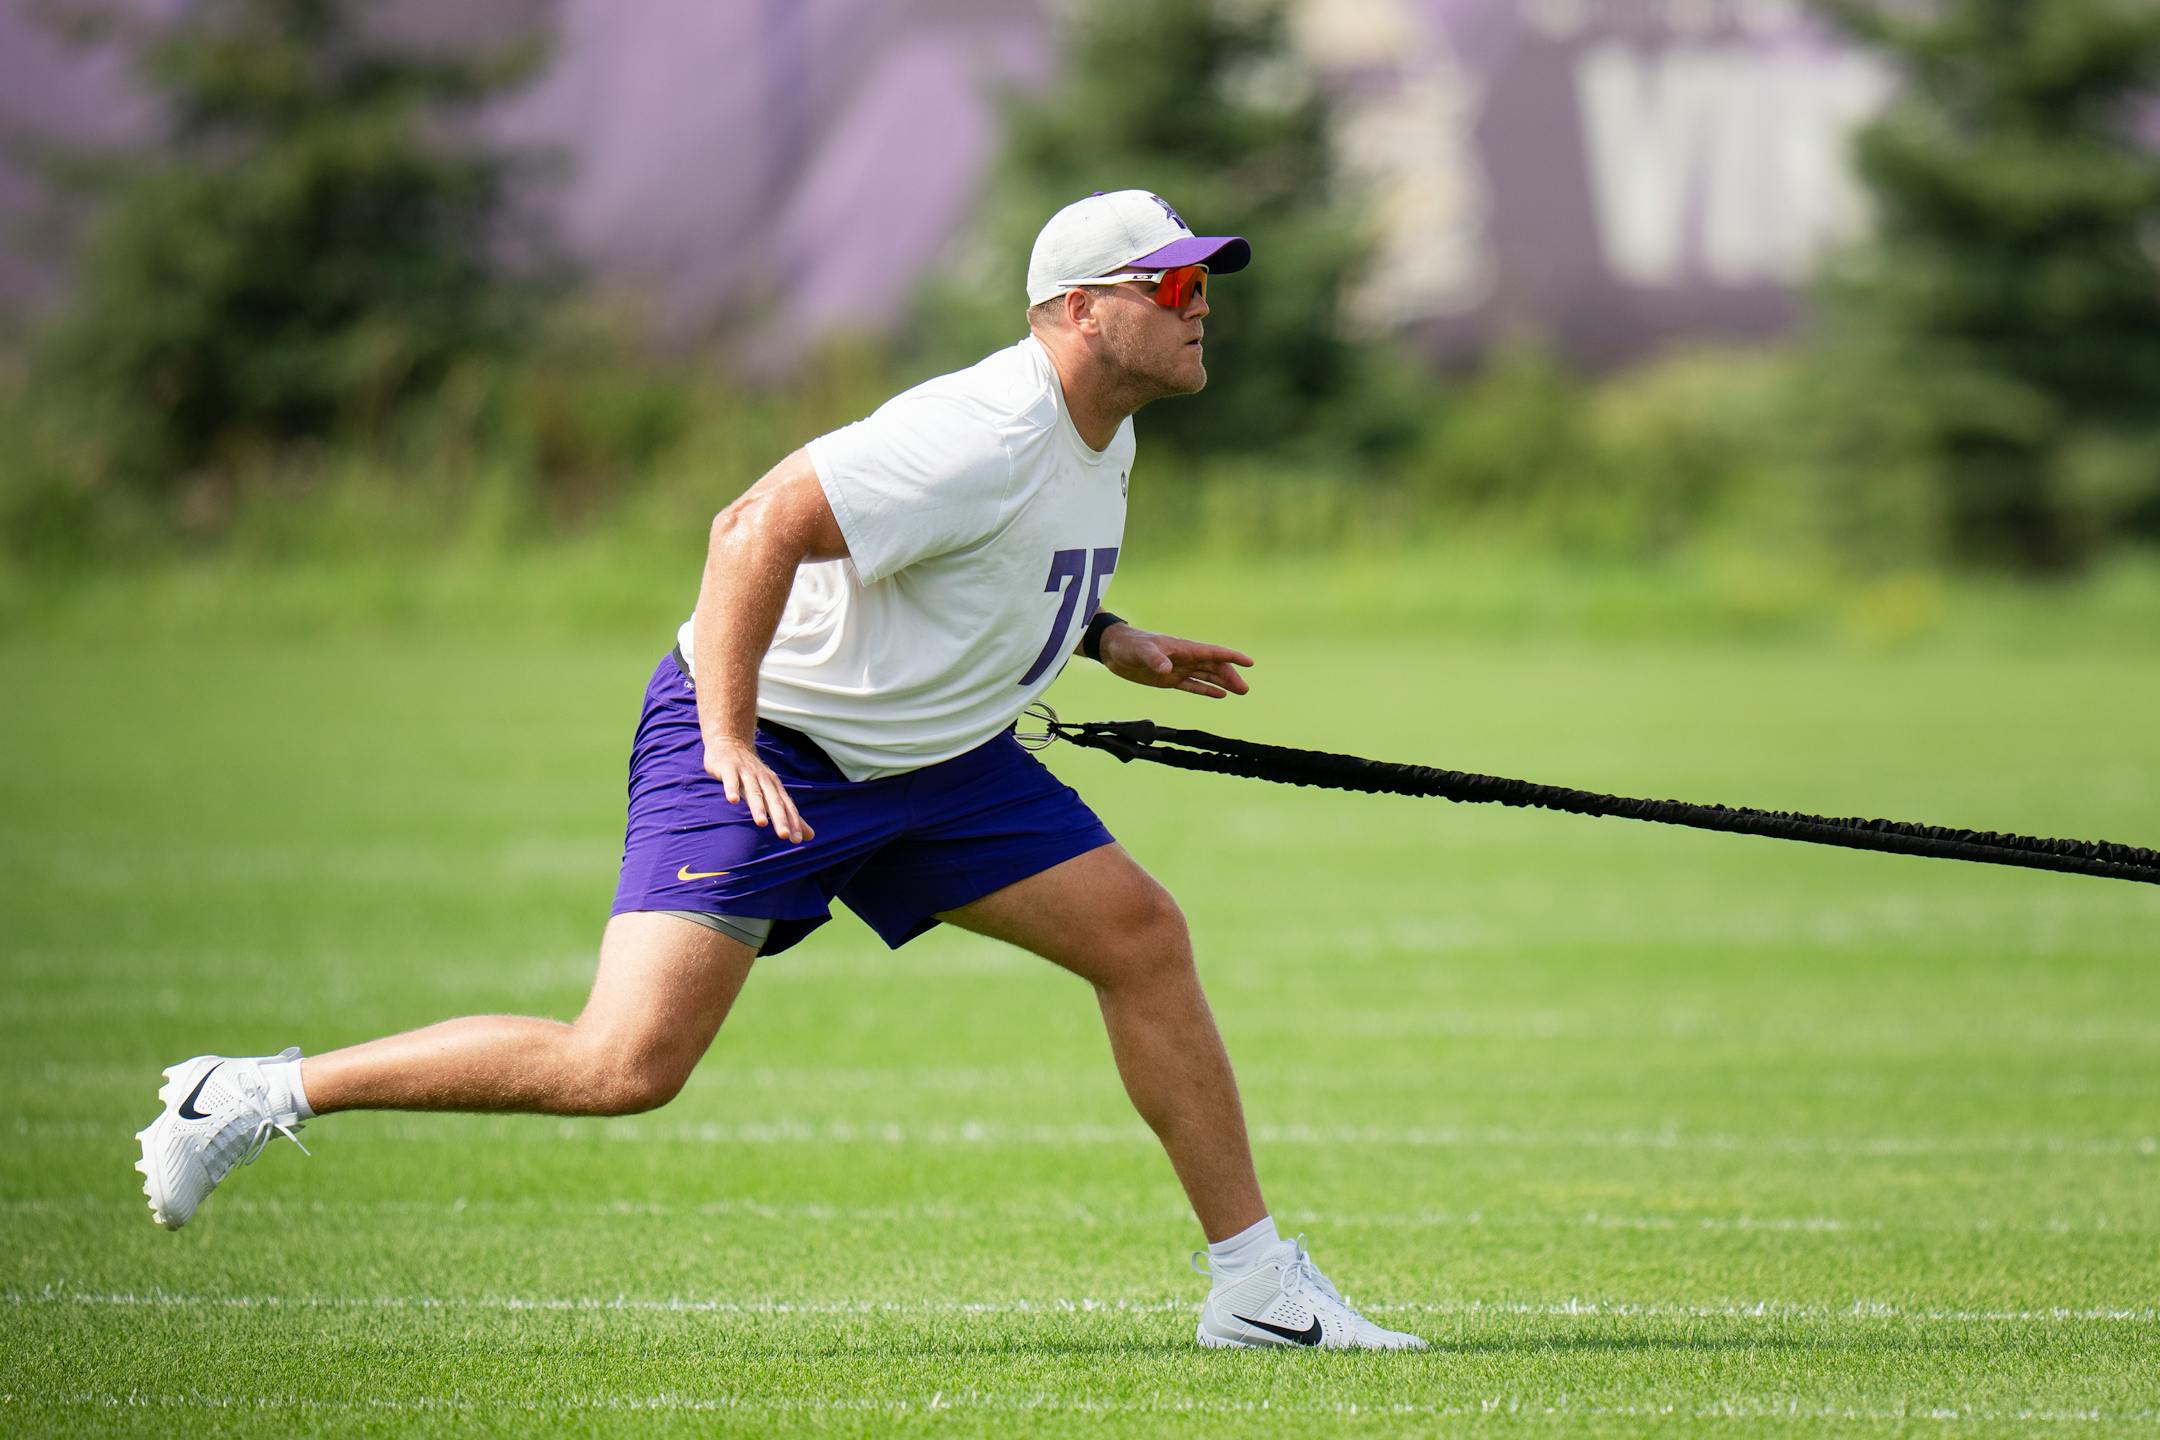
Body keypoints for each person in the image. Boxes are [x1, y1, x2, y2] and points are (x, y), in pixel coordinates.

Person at [134, 190, 1427, 1352]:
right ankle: (248, 1093)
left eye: (1208, 286)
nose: (1206, 312)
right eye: (1180, 288)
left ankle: (1256, 1288)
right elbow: (752, 526)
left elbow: (984, 559)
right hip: (777, 747)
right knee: (623, 1064)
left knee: (1142, 936)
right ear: (1082, 314)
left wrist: (1107, 636)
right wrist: (729, 736)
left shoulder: (1105, 429)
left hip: (940, 764)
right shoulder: (980, 426)